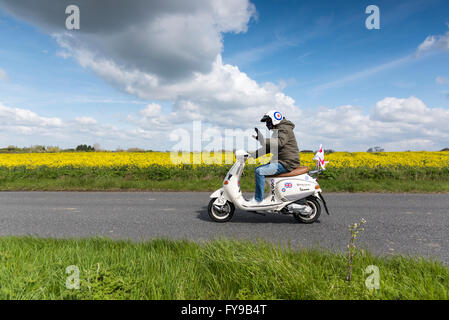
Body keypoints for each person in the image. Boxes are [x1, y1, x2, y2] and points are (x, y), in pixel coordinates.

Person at [248, 110, 301, 204]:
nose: (267, 124)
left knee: (259, 171)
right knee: (260, 168)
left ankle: (257, 200)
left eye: (268, 121)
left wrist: (263, 140)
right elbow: (269, 148)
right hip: (282, 161)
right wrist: (251, 155)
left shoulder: (284, 129)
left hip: (287, 163)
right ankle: (271, 198)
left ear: (275, 119)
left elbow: (280, 143)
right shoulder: (279, 129)